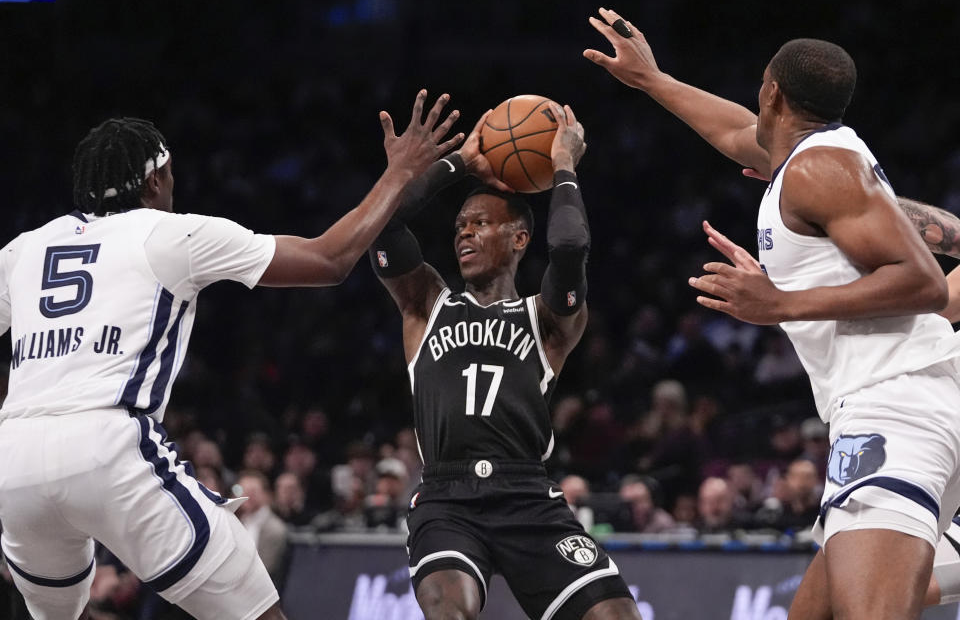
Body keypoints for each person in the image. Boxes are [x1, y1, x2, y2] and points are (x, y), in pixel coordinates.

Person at [0, 90, 461, 620]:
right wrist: (399, 172)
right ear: (154, 180)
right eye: (170, 174)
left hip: (14, 457)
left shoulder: (25, 248)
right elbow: (330, 258)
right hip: (106, 443)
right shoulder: (173, 233)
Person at [585, 8, 960, 619]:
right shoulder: (810, 160)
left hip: (892, 404)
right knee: (813, 614)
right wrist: (652, 79)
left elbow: (921, 281)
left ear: (772, 91)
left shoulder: (820, 168)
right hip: (909, 397)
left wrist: (780, 304)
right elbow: (735, 132)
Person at [369, 105, 642, 620]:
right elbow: (382, 226)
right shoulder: (427, 302)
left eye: (480, 224)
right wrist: (460, 166)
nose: (463, 234)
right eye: (459, 225)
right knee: (451, 612)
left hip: (528, 496)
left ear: (518, 239)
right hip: (447, 498)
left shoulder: (547, 320)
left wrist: (563, 166)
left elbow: (569, 245)